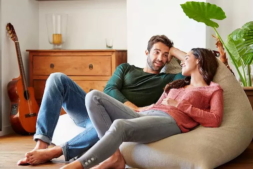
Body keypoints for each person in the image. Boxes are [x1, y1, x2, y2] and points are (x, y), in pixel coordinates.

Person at [18, 35, 186, 166]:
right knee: (57, 78)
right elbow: (109, 90)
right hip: (94, 109)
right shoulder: (126, 68)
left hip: (117, 119)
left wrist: (174, 50)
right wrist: (133, 107)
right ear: (147, 52)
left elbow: (192, 65)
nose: (160, 58)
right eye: (157, 51)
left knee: (115, 121)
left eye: (165, 55)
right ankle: (41, 145)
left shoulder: (168, 79)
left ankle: (56, 151)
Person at [56, 48, 224, 169]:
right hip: (148, 114)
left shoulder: (213, 89)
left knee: (120, 125)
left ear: (199, 61)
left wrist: (181, 105)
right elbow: (156, 106)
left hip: (170, 121)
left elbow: (215, 120)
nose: (182, 61)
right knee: (93, 96)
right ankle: (115, 157)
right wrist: (138, 110)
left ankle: (80, 165)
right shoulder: (177, 85)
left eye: (187, 58)